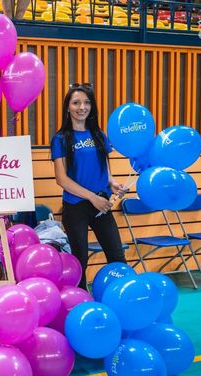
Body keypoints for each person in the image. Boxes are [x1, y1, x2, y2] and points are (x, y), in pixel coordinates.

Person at [51, 83, 128, 291]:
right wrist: (93, 198)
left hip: (101, 204)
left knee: (116, 255)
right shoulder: (60, 139)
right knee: (80, 260)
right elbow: (62, 179)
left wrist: (112, 182)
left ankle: (121, 295)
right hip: (76, 207)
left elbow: (104, 167)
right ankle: (81, 300)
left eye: (86, 103)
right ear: (68, 107)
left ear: (91, 106)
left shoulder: (99, 135)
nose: (81, 107)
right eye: (76, 103)